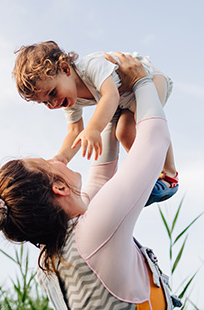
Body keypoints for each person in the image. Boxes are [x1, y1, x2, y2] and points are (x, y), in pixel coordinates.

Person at [0, 54, 180, 310]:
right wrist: (141, 82)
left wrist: (112, 102)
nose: (56, 158)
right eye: (48, 162)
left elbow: (102, 175)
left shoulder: (61, 248)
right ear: (58, 187)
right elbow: (154, 142)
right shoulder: (95, 233)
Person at [12, 41, 178, 203]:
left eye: (53, 93)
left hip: (150, 78)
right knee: (124, 132)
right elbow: (75, 131)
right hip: (128, 99)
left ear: (65, 69)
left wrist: (94, 128)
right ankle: (150, 174)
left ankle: (170, 174)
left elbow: (110, 96)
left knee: (148, 122)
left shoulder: (92, 65)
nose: (53, 103)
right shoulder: (69, 100)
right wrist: (62, 158)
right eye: (45, 102)